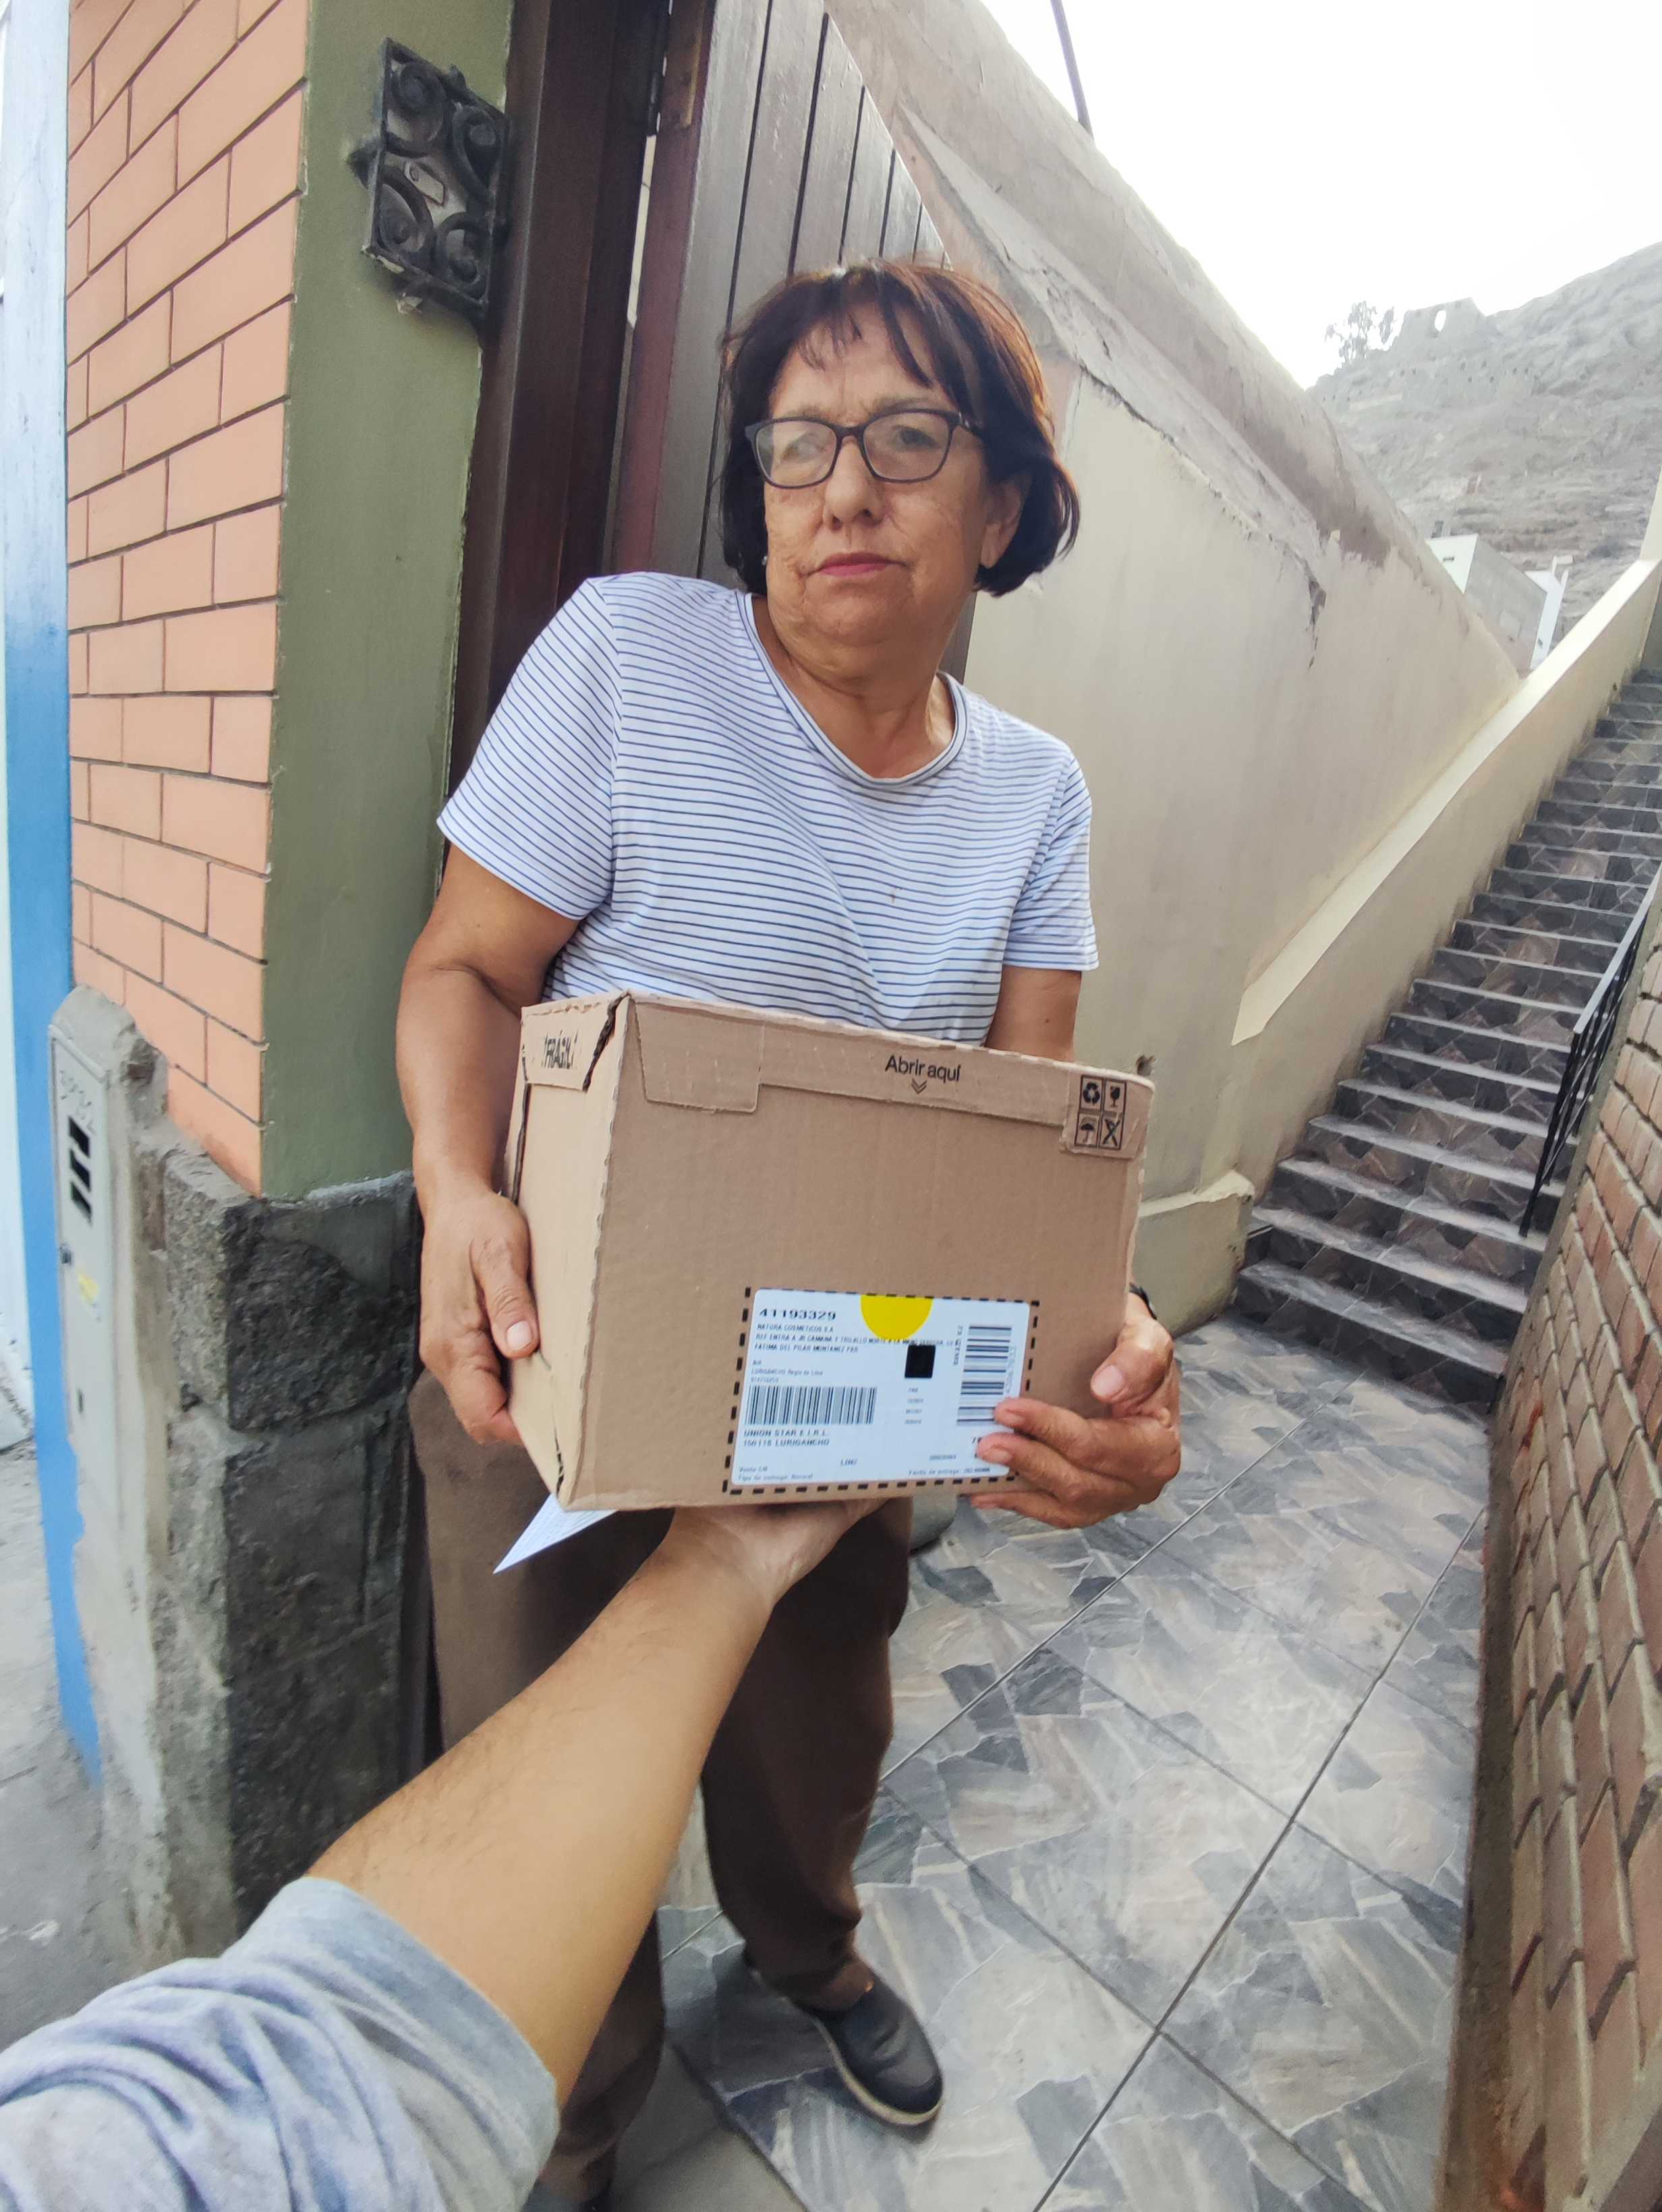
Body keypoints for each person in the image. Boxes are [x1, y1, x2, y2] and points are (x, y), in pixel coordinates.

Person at [398, 260, 1182, 2207]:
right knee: (548, 1773)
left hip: (844, 1383)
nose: (841, 489)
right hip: (554, 1359)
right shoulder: (627, 661)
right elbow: (466, 969)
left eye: (905, 439)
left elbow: (1027, 1152)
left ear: (1000, 507)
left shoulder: (1035, 798)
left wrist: (1111, 1364)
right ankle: (578, 2121)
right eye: (798, 443)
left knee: (815, 1726)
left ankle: (806, 1953)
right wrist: (456, 1193)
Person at [0, 1499, 880, 2211]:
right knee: (530, 1668)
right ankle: (570, 2135)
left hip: (841, 1352)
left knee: (816, 1701)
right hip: (534, 1380)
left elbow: (282, 2121)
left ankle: (813, 1953)